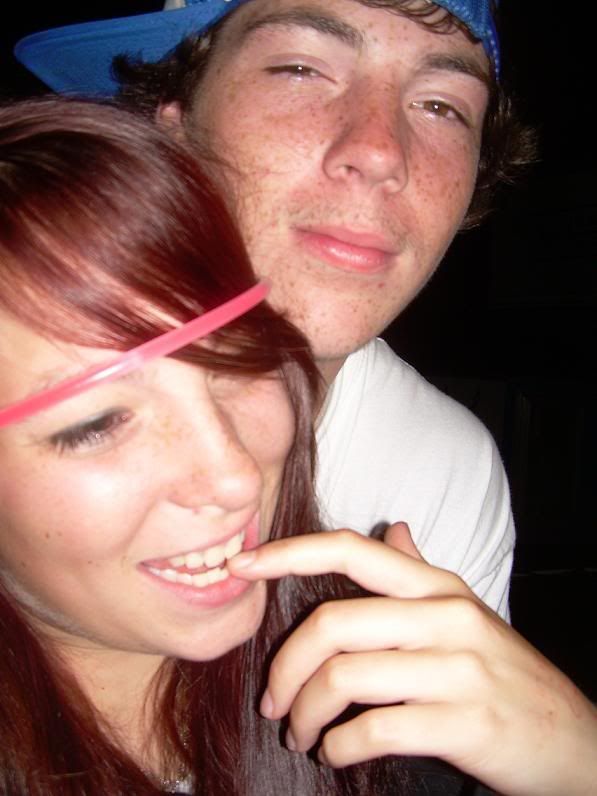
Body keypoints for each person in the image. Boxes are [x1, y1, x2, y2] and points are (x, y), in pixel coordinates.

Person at [1, 97, 595, 796]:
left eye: (241, 364)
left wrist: (574, 756)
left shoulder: (386, 689)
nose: (234, 476)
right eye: (97, 423)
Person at [13, 0, 539, 622]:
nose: (380, 153)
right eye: (301, 69)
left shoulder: (442, 469)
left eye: (441, 106)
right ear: (174, 123)